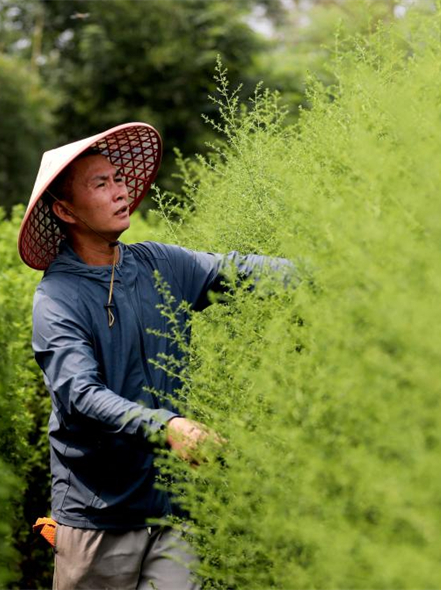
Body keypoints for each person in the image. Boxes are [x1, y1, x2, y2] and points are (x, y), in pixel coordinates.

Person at [18, 123, 292, 590]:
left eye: (118, 179)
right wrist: (166, 427)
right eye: (100, 184)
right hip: (96, 519)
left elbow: (237, 270)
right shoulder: (58, 299)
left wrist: (333, 271)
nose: (120, 190)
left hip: (171, 507)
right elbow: (80, 394)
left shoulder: (158, 264)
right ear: (65, 210)